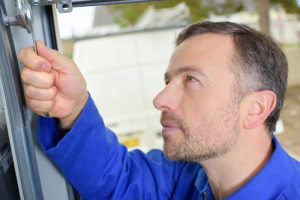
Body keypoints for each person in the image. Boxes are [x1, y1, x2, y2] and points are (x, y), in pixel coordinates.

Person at [18, 21, 300, 199]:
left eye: (191, 80)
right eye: (168, 80)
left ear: (256, 108)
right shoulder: (186, 175)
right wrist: (73, 108)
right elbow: (117, 177)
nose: (160, 98)